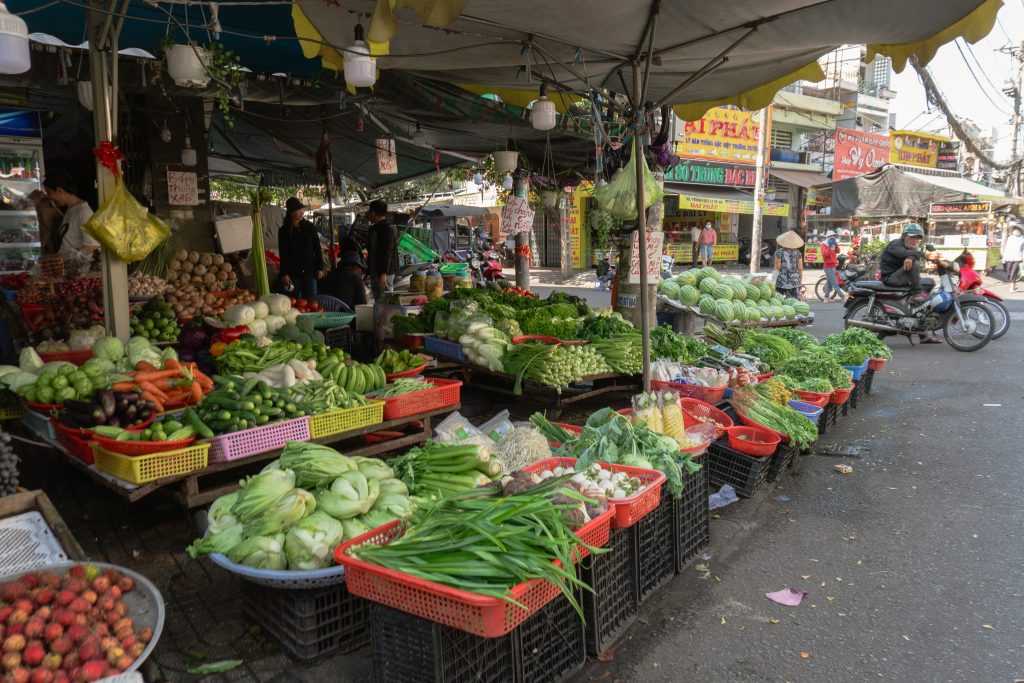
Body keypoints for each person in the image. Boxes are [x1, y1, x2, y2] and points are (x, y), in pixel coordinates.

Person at [879, 223, 940, 343]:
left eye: (917, 238)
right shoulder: (895, 244)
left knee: (928, 283)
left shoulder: (910, 250)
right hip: (891, 278)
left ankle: (923, 334)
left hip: (900, 277)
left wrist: (911, 258)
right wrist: (918, 255)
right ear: (904, 236)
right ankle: (917, 294)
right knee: (915, 265)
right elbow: (903, 253)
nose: (914, 240)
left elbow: (910, 255)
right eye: (912, 237)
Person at [277, 197, 324, 301]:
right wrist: (284, 273)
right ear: (290, 212)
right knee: (294, 302)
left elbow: (317, 248)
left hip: (309, 272)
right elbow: (283, 253)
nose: (301, 212)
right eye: (298, 210)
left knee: (311, 301)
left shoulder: (310, 227)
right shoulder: (284, 231)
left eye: (301, 209)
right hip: (293, 273)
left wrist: (320, 267)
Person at [42, 171, 98, 257]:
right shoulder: (70, 210)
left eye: (49, 193)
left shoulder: (83, 212)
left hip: (78, 269)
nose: (49, 197)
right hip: (66, 267)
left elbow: (92, 245)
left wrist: (70, 258)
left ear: (59, 190)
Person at [366, 199, 398, 301]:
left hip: (385, 272)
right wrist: (369, 271)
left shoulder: (386, 229)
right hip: (376, 271)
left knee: (386, 301)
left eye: (369, 211)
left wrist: (384, 273)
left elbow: (387, 252)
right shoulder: (375, 228)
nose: (368, 214)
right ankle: (380, 317)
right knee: (378, 300)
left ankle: (386, 317)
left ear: (373, 213)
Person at [772, 230, 804, 299]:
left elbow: (777, 268)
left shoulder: (779, 252)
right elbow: (800, 269)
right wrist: (800, 281)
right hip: (794, 282)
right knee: (793, 303)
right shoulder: (798, 253)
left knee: (777, 302)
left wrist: (773, 282)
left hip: (781, 282)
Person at [820, 231, 843, 302]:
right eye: (832, 236)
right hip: (828, 266)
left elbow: (838, 251)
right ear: (828, 237)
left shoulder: (833, 244)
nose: (833, 238)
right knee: (835, 283)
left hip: (833, 265)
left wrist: (836, 244)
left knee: (829, 282)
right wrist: (829, 246)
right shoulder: (824, 244)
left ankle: (826, 298)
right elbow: (825, 255)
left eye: (834, 236)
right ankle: (842, 296)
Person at [1001, 223, 1023, 291]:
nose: (1016, 230)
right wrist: (1004, 257)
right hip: (1009, 257)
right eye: (1015, 229)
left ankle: (1012, 286)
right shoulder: (1010, 238)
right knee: (1008, 272)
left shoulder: (1023, 238)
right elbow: (1007, 247)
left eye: (1017, 229)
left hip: (1018, 257)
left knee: (1014, 272)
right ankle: (1014, 283)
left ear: (1020, 230)